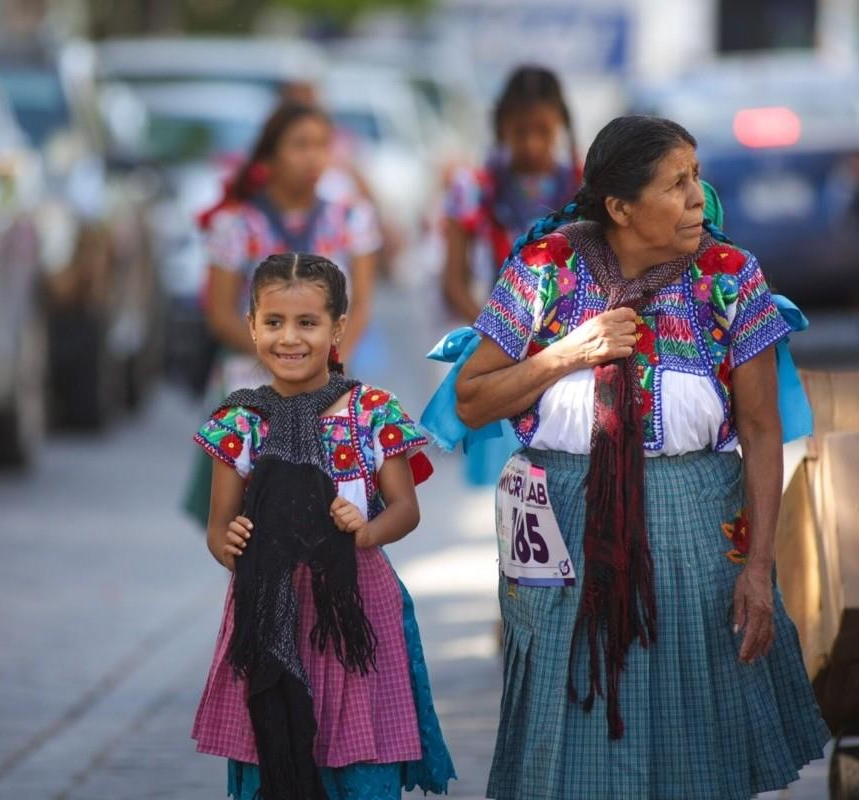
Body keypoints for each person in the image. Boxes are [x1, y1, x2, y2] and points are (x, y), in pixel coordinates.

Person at [448, 115, 828, 799]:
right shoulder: (545, 269)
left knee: (696, 734)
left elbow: (762, 428)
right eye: (676, 184)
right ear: (620, 208)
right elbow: (472, 400)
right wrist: (570, 350)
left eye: (695, 176)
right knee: (570, 723)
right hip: (566, 522)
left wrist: (761, 567)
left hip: (698, 525)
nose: (697, 197)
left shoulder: (729, 277)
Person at [191, 253, 453, 799]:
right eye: (274, 322)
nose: (290, 339)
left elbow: (405, 508)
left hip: (357, 613)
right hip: (268, 615)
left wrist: (366, 530)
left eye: (307, 323)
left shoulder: (371, 412)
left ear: (337, 329)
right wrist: (229, 541)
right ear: (251, 327)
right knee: (278, 753)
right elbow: (219, 528)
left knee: (360, 756)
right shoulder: (238, 421)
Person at [182, 102, 381, 525]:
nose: (313, 157)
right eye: (299, 145)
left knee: (330, 505)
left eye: (321, 146)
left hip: (328, 377)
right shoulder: (237, 223)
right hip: (253, 376)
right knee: (246, 512)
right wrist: (282, 355)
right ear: (270, 156)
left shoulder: (350, 217)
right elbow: (220, 312)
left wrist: (329, 360)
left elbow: (362, 302)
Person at [439, 66, 581, 486]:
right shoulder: (473, 188)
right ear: (501, 127)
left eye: (543, 129)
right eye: (521, 132)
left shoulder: (583, 184)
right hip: (498, 353)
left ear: (560, 123)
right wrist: (498, 334)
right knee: (506, 489)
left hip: (568, 350)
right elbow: (453, 281)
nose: (533, 143)